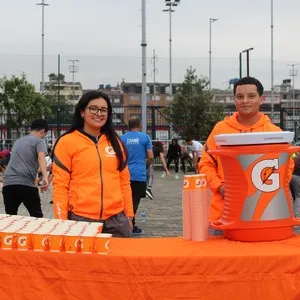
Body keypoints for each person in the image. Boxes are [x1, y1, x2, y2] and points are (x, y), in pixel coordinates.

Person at [198, 76, 294, 235]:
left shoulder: (274, 133)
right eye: (240, 96)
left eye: (251, 96)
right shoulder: (220, 130)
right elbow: (205, 164)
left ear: (261, 99)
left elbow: (287, 167)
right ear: (234, 99)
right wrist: (219, 186)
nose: (245, 101)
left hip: (265, 217)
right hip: (224, 215)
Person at [52, 91, 134, 238]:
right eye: (93, 108)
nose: (99, 113)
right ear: (82, 112)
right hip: (81, 220)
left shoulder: (115, 142)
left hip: (117, 221)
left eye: (104, 110)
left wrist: (129, 215)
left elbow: (124, 181)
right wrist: (61, 222)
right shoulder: (66, 142)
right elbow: (60, 186)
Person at [2, 119, 49, 217]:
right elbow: (41, 158)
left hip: (8, 184)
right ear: (42, 131)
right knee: (37, 218)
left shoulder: (18, 141)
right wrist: (45, 177)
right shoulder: (39, 141)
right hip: (25, 184)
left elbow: (23, 162)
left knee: (11, 218)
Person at [121, 117, 154, 236]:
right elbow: (150, 156)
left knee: (124, 200)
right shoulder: (145, 137)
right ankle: (131, 226)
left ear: (129, 126)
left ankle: (124, 224)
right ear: (139, 125)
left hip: (124, 173)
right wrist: (146, 166)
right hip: (138, 173)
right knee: (134, 201)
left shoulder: (122, 138)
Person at [290, 152, 300, 217]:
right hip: (297, 176)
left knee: (294, 196)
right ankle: (295, 215)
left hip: (291, 175)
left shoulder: (294, 153)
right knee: (298, 196)